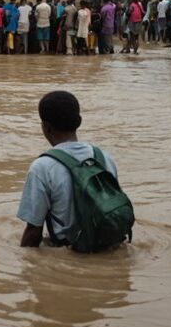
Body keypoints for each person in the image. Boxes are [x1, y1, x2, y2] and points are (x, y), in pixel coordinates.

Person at [17, 91, 120, 248]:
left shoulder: (42, 167)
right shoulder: (104, 157)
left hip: (69, 250)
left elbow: (33, 232)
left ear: (45, 127)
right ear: (79, 121)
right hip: (109, 244)